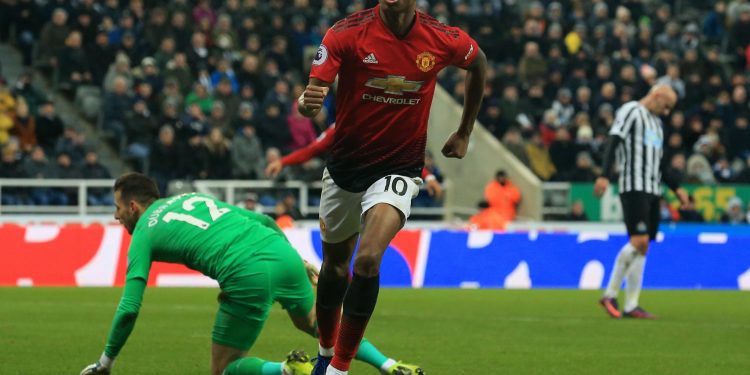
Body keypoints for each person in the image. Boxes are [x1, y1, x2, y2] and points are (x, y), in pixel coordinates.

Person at [298, 1, 487, 374]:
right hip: (345, 168)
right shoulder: (346, 33)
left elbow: (478, 62)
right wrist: (308, 104)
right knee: (335, 269)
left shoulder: (441, 37)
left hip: (398, 167)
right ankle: (324, 352)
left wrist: (465, 131)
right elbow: (312, 94)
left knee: (368, 258)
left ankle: (339, 367)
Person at [79, 173, 422, 375]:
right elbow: (263, 221)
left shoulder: (143, 232)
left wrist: (105, 362)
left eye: (118, 208)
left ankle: (288, 370)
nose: (117, 216)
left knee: (226, 368)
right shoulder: (190, 198)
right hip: (281, 253)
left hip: (245, 271)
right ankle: (390, 365)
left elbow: (130, 308)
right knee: (322, 326)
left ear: (135, 207)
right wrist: (298, 260)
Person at [594, 84, 689, 320]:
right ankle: (610, 293)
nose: (667, 112)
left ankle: (631, 305)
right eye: (666, 106)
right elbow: (614, 141)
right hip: (633, 186)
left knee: (644, 246)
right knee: (639, 241)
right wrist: (605, 174)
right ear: (656, 96)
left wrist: (677, 188)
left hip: (652, 190)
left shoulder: (657, 124)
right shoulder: (631, 111)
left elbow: (661, 163)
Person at [265, 124, 442, 197]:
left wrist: (429, 177)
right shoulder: (339, 128)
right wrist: (283, 162)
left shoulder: (381, 128)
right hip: (346, 189)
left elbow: (402, 158)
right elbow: (311, 150)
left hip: (374, 188)